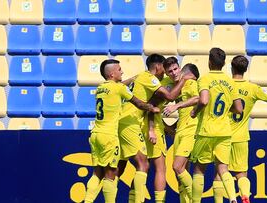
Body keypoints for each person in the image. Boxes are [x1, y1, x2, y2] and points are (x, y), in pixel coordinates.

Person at [117, 54, 195, 203]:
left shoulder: (143, 76)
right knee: (159, 168)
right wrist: (152, 129)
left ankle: (133, 199)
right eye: (167, 70)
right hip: (144, 125)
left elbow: (126, 85)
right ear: (159, 67)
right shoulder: (158, 82)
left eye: (174, 69)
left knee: (139, 167)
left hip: (132, 124)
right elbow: (166, 98)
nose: (170, 73)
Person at [84, 59, 160, 203]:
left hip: (95, 134)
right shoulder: (119, 89)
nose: (122, 72)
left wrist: (131, 79)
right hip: (109, 136)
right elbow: (138, 103)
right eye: (119, 70)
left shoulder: (100, 88)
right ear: (112, 74)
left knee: (97, 173)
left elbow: (118, 87)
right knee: (111, 173)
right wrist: (152, 108)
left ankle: (87, 200)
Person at [212, 55, 267, 203]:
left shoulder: (225, 85)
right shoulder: (253, 88)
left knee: (220, 172)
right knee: (241, 174)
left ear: (231, 68)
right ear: (246, 70)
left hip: (222, 136)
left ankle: (226, 200)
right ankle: (245, 197)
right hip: (241, 138)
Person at [190, 48, 243, 203]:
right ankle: (233, 198)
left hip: (206, 131)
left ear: (209, 62)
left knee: (200, 169)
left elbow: (204, 100)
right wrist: (227, 107)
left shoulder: (205, 79)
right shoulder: (230, 81)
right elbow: (239, 109)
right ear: (224, 63)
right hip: (224, 131)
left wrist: (195, 111)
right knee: (223, 169)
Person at [162, 62, 200, 203]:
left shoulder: (190, 83)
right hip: (180, 130)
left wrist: (176, 105)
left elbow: (198, 98)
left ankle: (196, 200)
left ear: (180, 68)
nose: (174, 73)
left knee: (177, 166)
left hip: (191, 129)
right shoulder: (170, 84)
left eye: (176, 69)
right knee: (180, 172)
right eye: (170, 71)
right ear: (167, 73)